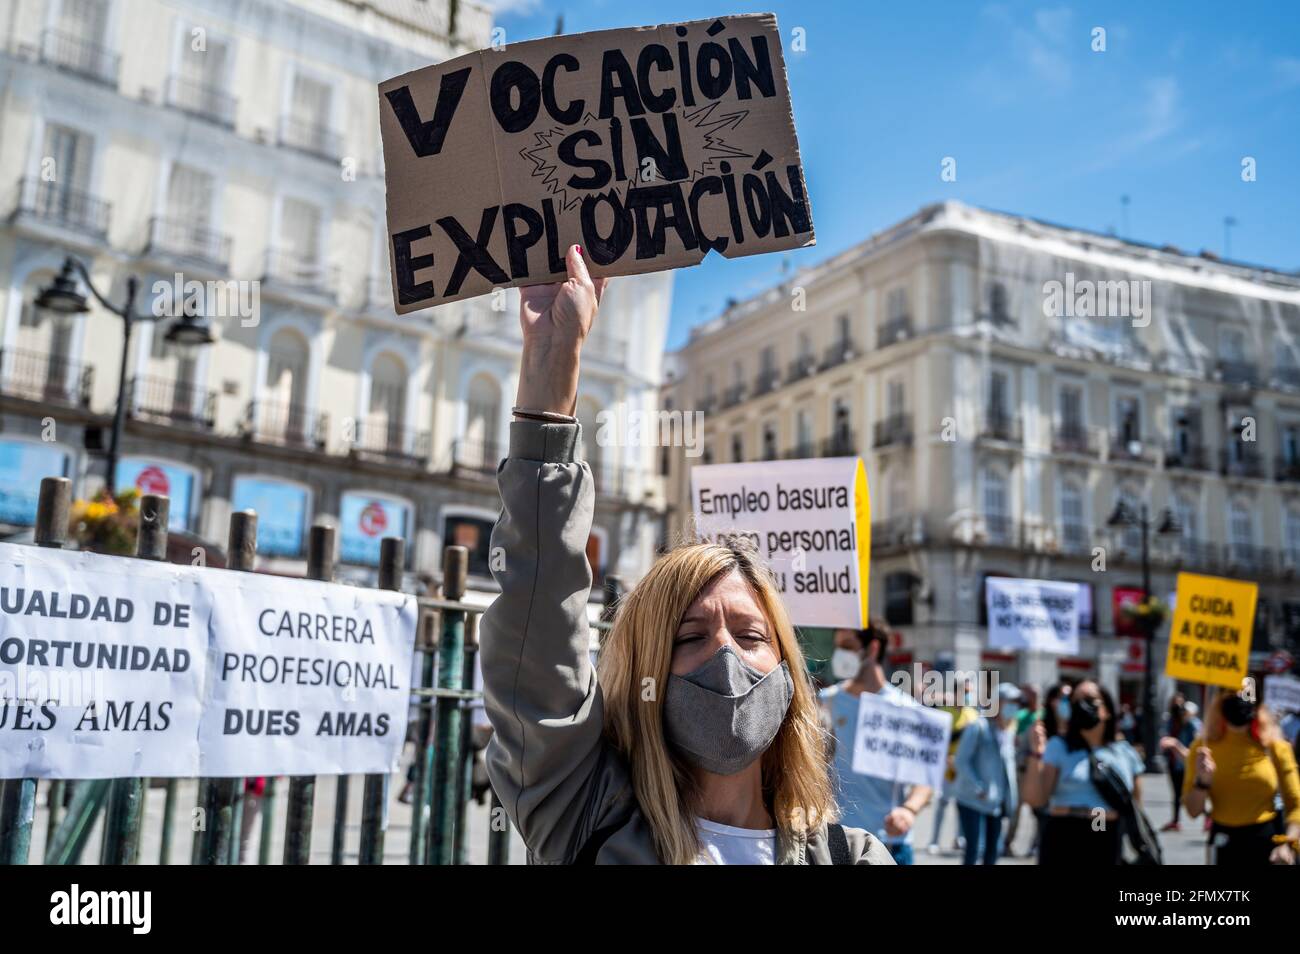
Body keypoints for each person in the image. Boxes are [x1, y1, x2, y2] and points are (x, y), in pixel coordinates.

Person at [478, 246, 893, 865]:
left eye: (751, 635)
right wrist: (550, 365)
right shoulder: (586, 813)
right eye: (689, 637)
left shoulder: (849, 857)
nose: (724, 655)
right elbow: (537, 612)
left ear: (786, 666)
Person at [819, 624, 933, 864]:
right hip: (833, 842)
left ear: (872, 648)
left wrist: (909, 810)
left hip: (889, 845)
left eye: (848, 646)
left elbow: (925, 776)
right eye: (837, 647)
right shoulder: (824, 703)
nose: (840, 655)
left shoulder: (905, 709)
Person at [1022, 679, 1144, 865]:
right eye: (1076, 701)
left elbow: (1135, 805)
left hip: (1103, 827)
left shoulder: (1124, 752)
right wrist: (1035, 753)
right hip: (1063, 829)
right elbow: (1036, 799)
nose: (1082, 706)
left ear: (1108, 710)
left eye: (1090, 699)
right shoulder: (1059, 746)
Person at [1181, 688, 1300, 865]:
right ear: (1219, 702)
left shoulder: (1275, 747)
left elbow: (1296, 804)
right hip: (1224, 843)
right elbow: (1193, 811)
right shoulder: (1202, 749)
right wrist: (1203, 781)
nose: (1238, 699)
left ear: (1257, 704)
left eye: (1246, 694)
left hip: (1267, 844)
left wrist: (1288, 844)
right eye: (1231, 694)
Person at [952, 682, 1021, 865]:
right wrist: (978, 787)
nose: (1013, 707)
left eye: (1016, 702)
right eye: (1009, 702)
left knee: (993, 851)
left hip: (995, 803)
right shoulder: (979, 726)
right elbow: (961, 760)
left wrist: (1009, 798)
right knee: (973, 850)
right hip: (971, 800)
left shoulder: (1008, 732)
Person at [926, 679, 977, 855]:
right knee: (942, 805)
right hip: (946, 768)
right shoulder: (944, 712)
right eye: (965, 692)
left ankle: (960, 839)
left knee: (963, 806)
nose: (968, 696)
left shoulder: (973, 715)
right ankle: (934, 840)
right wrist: (946, 758)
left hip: (964, 770)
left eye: (970, 692)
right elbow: (936, 740)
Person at [1158, 693, 1201, 831]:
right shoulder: (1170, 722)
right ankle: (1176, 820)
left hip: (1186, 765)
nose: (1178, 710)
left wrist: (1175, 745)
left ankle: (1208, 817)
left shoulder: (1191, 725)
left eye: (1181, 706)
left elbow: (1191, 753)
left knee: (1189, 792)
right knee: (1177, 794)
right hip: (1173, 764)